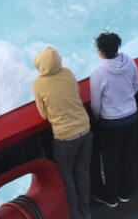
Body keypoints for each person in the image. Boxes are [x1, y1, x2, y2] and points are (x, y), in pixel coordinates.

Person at [33, 45, 93, 219]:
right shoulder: (67, 73)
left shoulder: (38, 83)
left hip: (65, 138)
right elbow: (78, 92)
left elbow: (43, 114)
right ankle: (87, 212)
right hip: (85, 130)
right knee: (82, 173)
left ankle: (75, 216)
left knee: (68, 179)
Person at [90, 32, 138, 206]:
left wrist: (102, 116)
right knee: (128, 155)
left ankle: (111, 197)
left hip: (111, 123)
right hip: (132, 116)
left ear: (101, 51)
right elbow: (136, 85)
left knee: (111, 159)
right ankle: (125, 193)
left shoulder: (98, 73)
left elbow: (95, 104)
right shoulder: (131, 62)